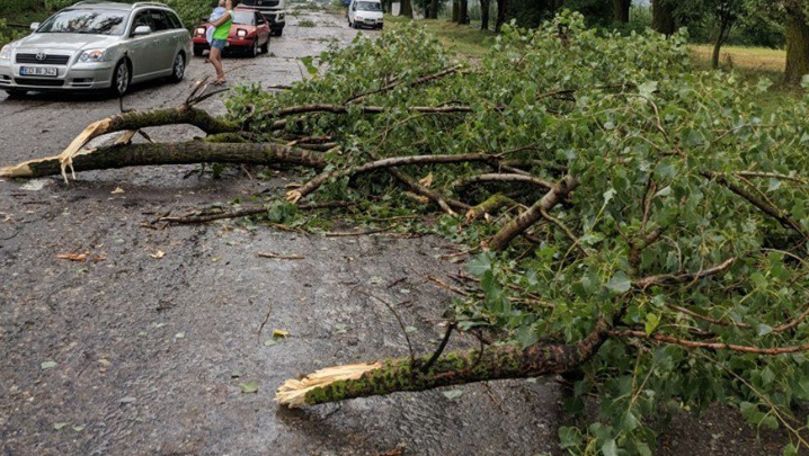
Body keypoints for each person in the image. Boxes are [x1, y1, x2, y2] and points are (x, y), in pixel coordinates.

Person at [208, 0, 233, 85]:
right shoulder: (222, 12)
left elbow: (217, 24)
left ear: (229, 3)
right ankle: (220, 78)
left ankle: (221, 75)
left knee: (212, 58)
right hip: (216, 36)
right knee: (218, 58)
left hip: (220, 37)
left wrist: (210, 21)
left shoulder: (228, 13)